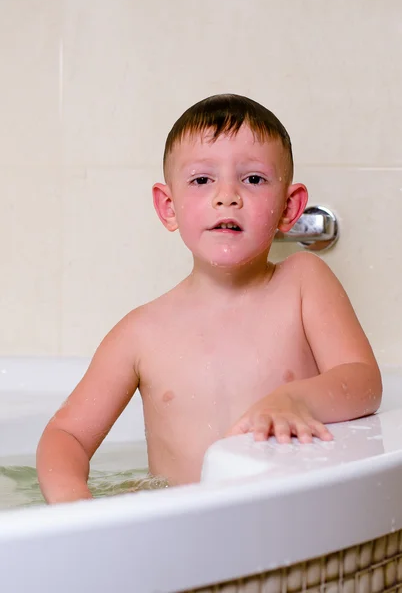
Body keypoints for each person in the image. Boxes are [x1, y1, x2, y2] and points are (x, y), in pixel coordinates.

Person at [36, 94, 382, 503]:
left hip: (283, 521)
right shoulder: (141, 333)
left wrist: (294, 400)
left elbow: (364, 381)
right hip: (179, 532)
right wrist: (76, 508)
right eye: (202, 180)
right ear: (169, 207)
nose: (227, 196)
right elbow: (67, 434)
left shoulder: (303, 283)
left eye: (253, 179)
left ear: (290, 207)